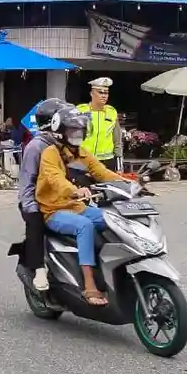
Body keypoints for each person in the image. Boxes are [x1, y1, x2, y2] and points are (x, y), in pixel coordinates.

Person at [35, 104, 123, 306]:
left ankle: (109, 268)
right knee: (85, 226)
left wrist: (128, 183)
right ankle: (89, 284)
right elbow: (55, 178)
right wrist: (74, 190)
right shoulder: (50, 153)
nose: (77, 134)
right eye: (72, 130)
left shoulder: (82, 153)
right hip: (54, 210)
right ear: (60, 131)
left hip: (78, 207)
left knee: (112, 219)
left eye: (80, 130)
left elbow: (102, 172)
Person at [9, 98, 67, 292]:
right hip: (36, 201)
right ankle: (39, 270)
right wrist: (32, 208)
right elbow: (26, 183)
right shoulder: (36, 147)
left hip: (62, 199)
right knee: (36, 227)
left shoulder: (65, 144)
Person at [76, 77, 123, 172]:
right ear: (92, 94)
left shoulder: (112, 112)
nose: (104, 96)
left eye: (106, 93)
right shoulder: (80, 111)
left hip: (106, 161)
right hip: (84, 158)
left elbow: (117, 140)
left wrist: (119, 165)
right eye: (100, 92)